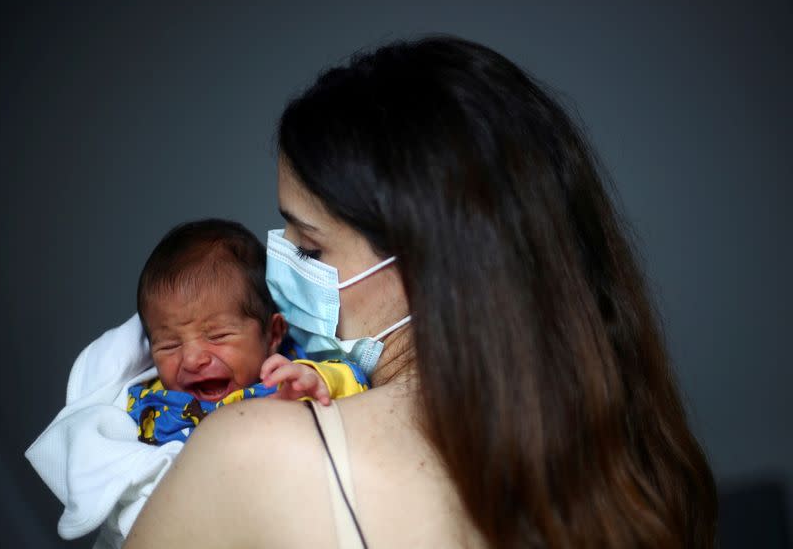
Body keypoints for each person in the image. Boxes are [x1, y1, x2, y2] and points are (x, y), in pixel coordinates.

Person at [124, 36, 717, 548]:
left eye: (309, 249)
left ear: (424, 265)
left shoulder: (254, 450)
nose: (284, 278)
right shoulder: (644, 466)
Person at [129, 218, 369, 445]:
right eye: (170, 345)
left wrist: (319, 381)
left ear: (273, 334)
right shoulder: (152, 403)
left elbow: (355, 379)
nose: (192, 360)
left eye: (217, 336)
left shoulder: (289, 378)